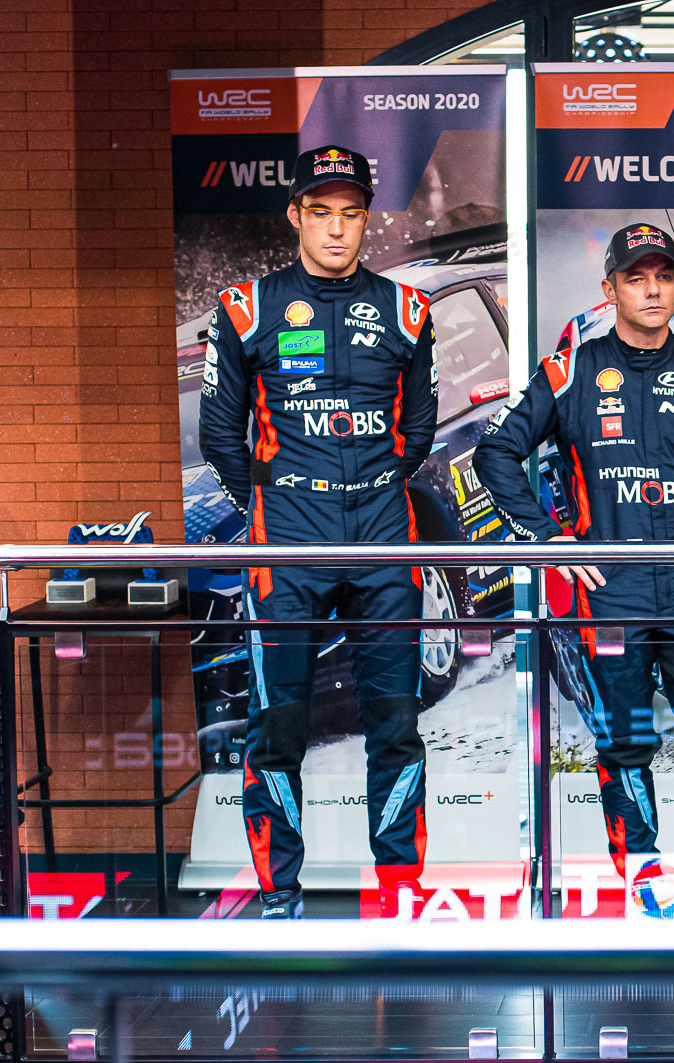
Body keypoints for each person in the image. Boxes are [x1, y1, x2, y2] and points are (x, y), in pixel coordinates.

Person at [473, 222, 674, 917]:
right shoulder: (568, 372)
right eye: (636, 278)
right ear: (609, 289)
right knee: (624, 744)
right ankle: (650, 894)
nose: (652, 290)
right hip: (610, 594)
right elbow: (496, 453)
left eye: (663, 276)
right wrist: (547, 540)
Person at [199, 145, 440, 919]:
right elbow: (219, 435)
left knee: (395, 726)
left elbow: (418, 432)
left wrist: (365, 487)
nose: (336, 228)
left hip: (383, 538)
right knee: (276, 729)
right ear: (295, 215)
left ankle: (400, 895)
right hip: (287, 543)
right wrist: (275, 502)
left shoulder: (407, 310)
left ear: (366, 219)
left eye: (350, 213)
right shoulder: (246, 308)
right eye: (321, 212)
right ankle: (279, 897)